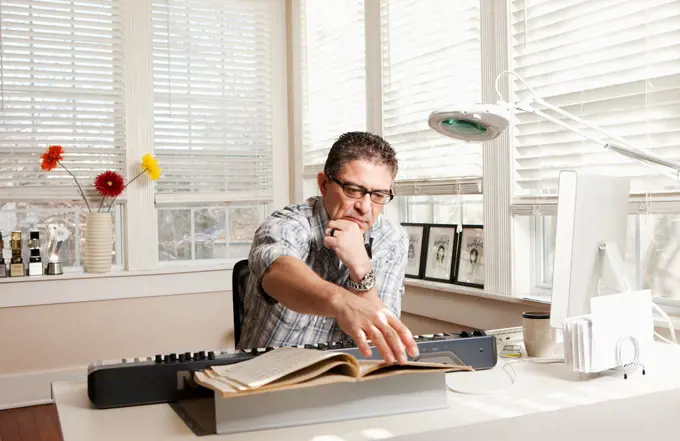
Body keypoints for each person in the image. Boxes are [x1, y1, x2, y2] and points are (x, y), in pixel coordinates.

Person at [237, 131, 418, 365]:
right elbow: (278, 271)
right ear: (324, 184)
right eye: (353, 190)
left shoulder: (391, 238)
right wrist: (342, 301)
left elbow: (379, 338)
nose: (365, 207)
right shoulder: (289, 224)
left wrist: (361, 267)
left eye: (378, 195)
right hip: (267, 377)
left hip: (349, 379)